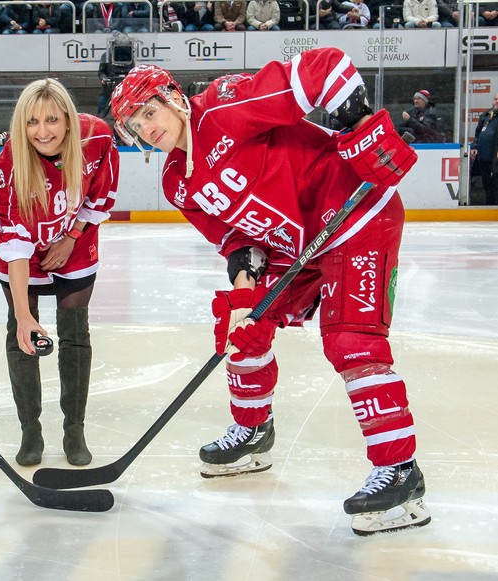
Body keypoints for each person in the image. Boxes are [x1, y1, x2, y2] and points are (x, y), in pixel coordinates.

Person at [109, 47, 429, 536]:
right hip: (295, 243)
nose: (148, 127)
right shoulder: (178, 181)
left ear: (173, 96)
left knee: (351, 342)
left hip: (354, 210)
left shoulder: (224, 106)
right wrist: (244, 300)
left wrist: (361, 125)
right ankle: (254, 432)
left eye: (150, 111)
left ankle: (401, 472)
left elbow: (324, 68)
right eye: (136, 124)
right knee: (240, 331)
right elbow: (238, 241)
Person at [0, 79, 119, 467]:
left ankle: (74, 430)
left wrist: (72, 236)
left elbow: (101, 193)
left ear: (68, 119)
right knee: (23, 334)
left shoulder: (97, 138)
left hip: (75, 239)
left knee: (75, 333)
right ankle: (30, 431)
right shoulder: (10, 161)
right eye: (31, 122)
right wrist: (24, 316)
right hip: (23, 253)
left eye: (51, 119)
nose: (42, 131)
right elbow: (13, 238)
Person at [471, 92, 498, 205]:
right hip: (484, 157)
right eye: (495, 99)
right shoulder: (486, 116)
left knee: (496, 183)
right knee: (487, 183)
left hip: (495, 157)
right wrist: (475, 146)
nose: (497, 101)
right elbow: (478, 134)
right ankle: (490, 204)